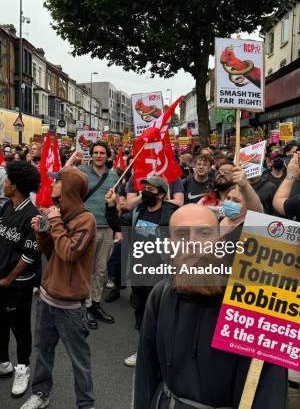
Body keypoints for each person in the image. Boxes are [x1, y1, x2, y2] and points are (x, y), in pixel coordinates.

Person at [134, 204, 287, 408]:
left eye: (204, 233)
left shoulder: (252, 303)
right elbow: (146, 373)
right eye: (181, 235)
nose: (193, 243)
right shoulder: (161, 295)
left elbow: (269, 391)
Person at [20, 167, 96, 409]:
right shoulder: (59, 214)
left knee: (79, 360)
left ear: (69, 187)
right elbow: (52, 254)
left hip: (71, 305)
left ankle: (86, 404)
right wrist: (42, 233)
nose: (51, 185)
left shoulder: (86, 219)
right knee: (42, 350)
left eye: (57, 181)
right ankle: (41, 393)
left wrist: (53, 222)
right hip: (47, 298)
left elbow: (69, 253)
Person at [0, 161, 41, 399]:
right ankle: (3, 363)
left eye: (9, 181)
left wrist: (9, 278)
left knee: (20, 327)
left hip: (18, 284)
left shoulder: (32, 215)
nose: (5, 184)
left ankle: (22, 367)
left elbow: (30, 253)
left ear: (16, 186)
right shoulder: (6, 208)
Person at [106, 176, 179, 368]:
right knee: (142, 314)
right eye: (144, 187)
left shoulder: (173, 215)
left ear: (162, 194)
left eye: (151, 189)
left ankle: (164, 354)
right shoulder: (138, 211)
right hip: (139, 273)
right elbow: (118, 224)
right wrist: (110, 206)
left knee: (162, 316)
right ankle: (143, 350)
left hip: (162, 275)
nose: (145, 191)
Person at [66, 141, 119, 328]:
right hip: (87, 228)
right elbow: (64, 173)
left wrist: (118, 229)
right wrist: (73, 158)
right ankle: (85, 306)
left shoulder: (113, 176)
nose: (98, 156)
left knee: (101, 269)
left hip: (107, 228)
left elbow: (117, 204)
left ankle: (96, 303)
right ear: (91, 155)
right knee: (86, 269)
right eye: (95, 152)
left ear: (107, 156)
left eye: (102, 153)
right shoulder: (81, 171)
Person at [219, 170, 264, 236]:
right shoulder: (219, 219)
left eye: (236, 201)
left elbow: (257, 212)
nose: (230, 202)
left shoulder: (249, 226)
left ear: (248, 205)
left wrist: (245, 184)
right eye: (228, 198)